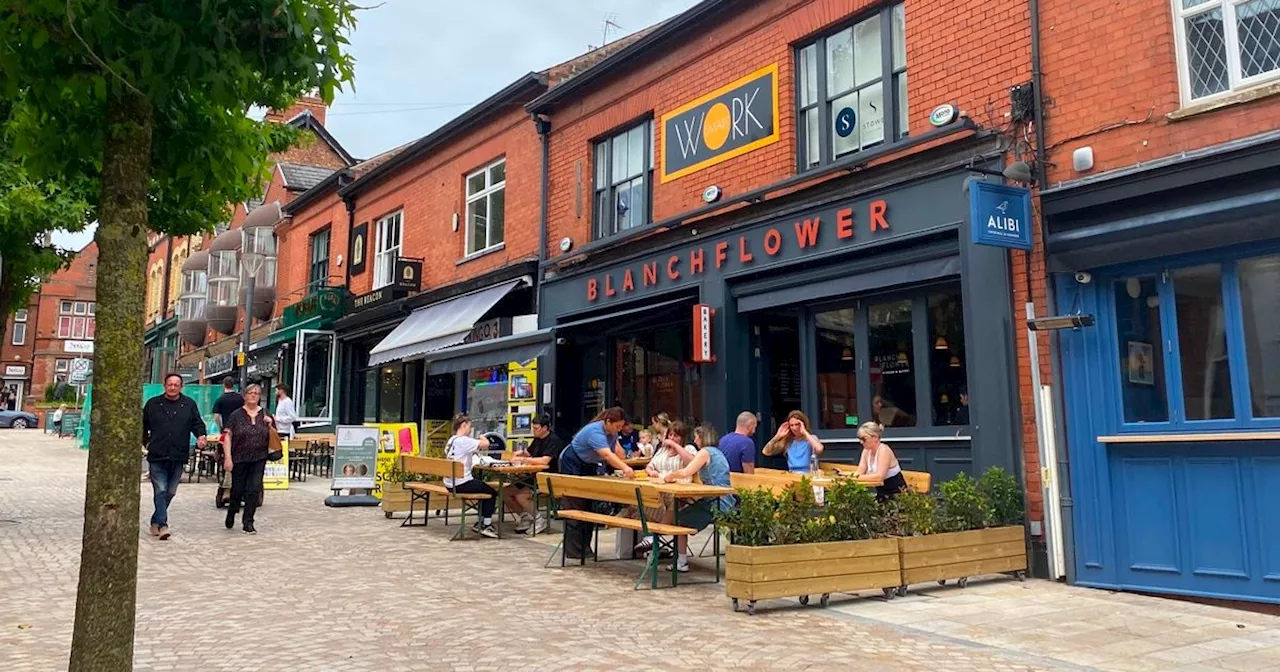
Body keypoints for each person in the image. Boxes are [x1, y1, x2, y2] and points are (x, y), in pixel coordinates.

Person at [558, 407, 635, 558]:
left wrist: (617, 443)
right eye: (617, 426)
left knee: (588, 505)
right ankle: (574, 550)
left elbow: (617, 454)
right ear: (607, 422)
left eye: (621, 427)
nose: (618, 430)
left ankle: (585, 548)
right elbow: (606, 455)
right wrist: (626, 468)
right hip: (573, 462)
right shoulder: (595, 431)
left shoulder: (612, 434)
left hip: (589, 464)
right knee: (575, 504)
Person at [660, 423, 734, 573]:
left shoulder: (705, 452)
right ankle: (679, 558)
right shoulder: (717, 452)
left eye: (696, 437)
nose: (695, 440)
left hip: (717, 502)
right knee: (682, 516)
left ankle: (681, 561)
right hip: (724, 499)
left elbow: (686, 472)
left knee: (680, 521)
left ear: (702, 437)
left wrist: (671, 476)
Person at [142, 373, 208, 540]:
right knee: (161, 489)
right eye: (169, 384)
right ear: (164, 386)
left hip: (178, 454)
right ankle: (163, 525)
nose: (172, 387)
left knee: (170, 491)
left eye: (176, 385)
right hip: (157, 453)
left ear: (181, 387)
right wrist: (144, 443)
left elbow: (197, 423)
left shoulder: (188, 404)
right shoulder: (153, 404)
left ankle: (156, 519)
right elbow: (142, 425)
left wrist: (201, 436)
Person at [223, 384, 275, 534]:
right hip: (239, 457)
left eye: (257, 393)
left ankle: (248, 522)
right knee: (237, 490)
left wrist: (270, 424)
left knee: (253, 490)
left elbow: (274, 436)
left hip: (259, 457)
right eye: (250, 393)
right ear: (244, 396)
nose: (253, 395)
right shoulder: (236, 415)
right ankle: (232, 511)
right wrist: (228, 458)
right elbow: (227, 436)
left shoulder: (265, 414)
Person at [503, 413, 562, 535]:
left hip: (546, 478)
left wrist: (523, 460)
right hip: (532, 475)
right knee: (505, 492)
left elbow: (544, 461)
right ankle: (525, 518)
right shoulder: (537, 439)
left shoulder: (553, 440)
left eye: (536, 428)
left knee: (521, 496)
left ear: (545, 428)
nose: (533, 431)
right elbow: (529, 452)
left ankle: (539, 520)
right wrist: (519, 453)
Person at [443, 413, 500, 538]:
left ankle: (481, 520)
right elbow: (485, 445)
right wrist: (482, 437)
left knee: (482, 487)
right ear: (463, 425)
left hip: (449, 483)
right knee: (491, 493)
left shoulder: (451, 440)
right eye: (470, 426)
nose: (470, 429)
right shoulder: (464, 440)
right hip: (461, 483)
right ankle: (486, 524)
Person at [853, 421, 909, 501]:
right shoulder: (866, 451)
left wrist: (855, 478)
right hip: (882, 495)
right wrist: (849, 477)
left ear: (875, 437)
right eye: (859, 439)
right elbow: (859, 472)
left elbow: (880, 476)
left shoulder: (884, 450)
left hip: (897, 496)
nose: (861, 442)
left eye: (863, 439)